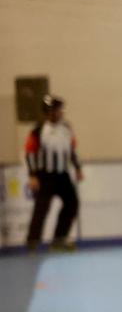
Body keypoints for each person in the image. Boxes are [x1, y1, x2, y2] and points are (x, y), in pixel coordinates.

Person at [24, 95, 83, 252]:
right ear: (48, 112)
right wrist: (32, 175)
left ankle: (59, 240)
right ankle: (32, 241)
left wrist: (77, 168)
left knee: (72, 203)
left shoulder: (67, 128)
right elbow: (30, 153)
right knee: (41, 208)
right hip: (45, 176)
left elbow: (71, 150)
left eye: (60, 110)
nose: (59, 113)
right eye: (56, 110)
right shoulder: (38, 130)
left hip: (62, 174)